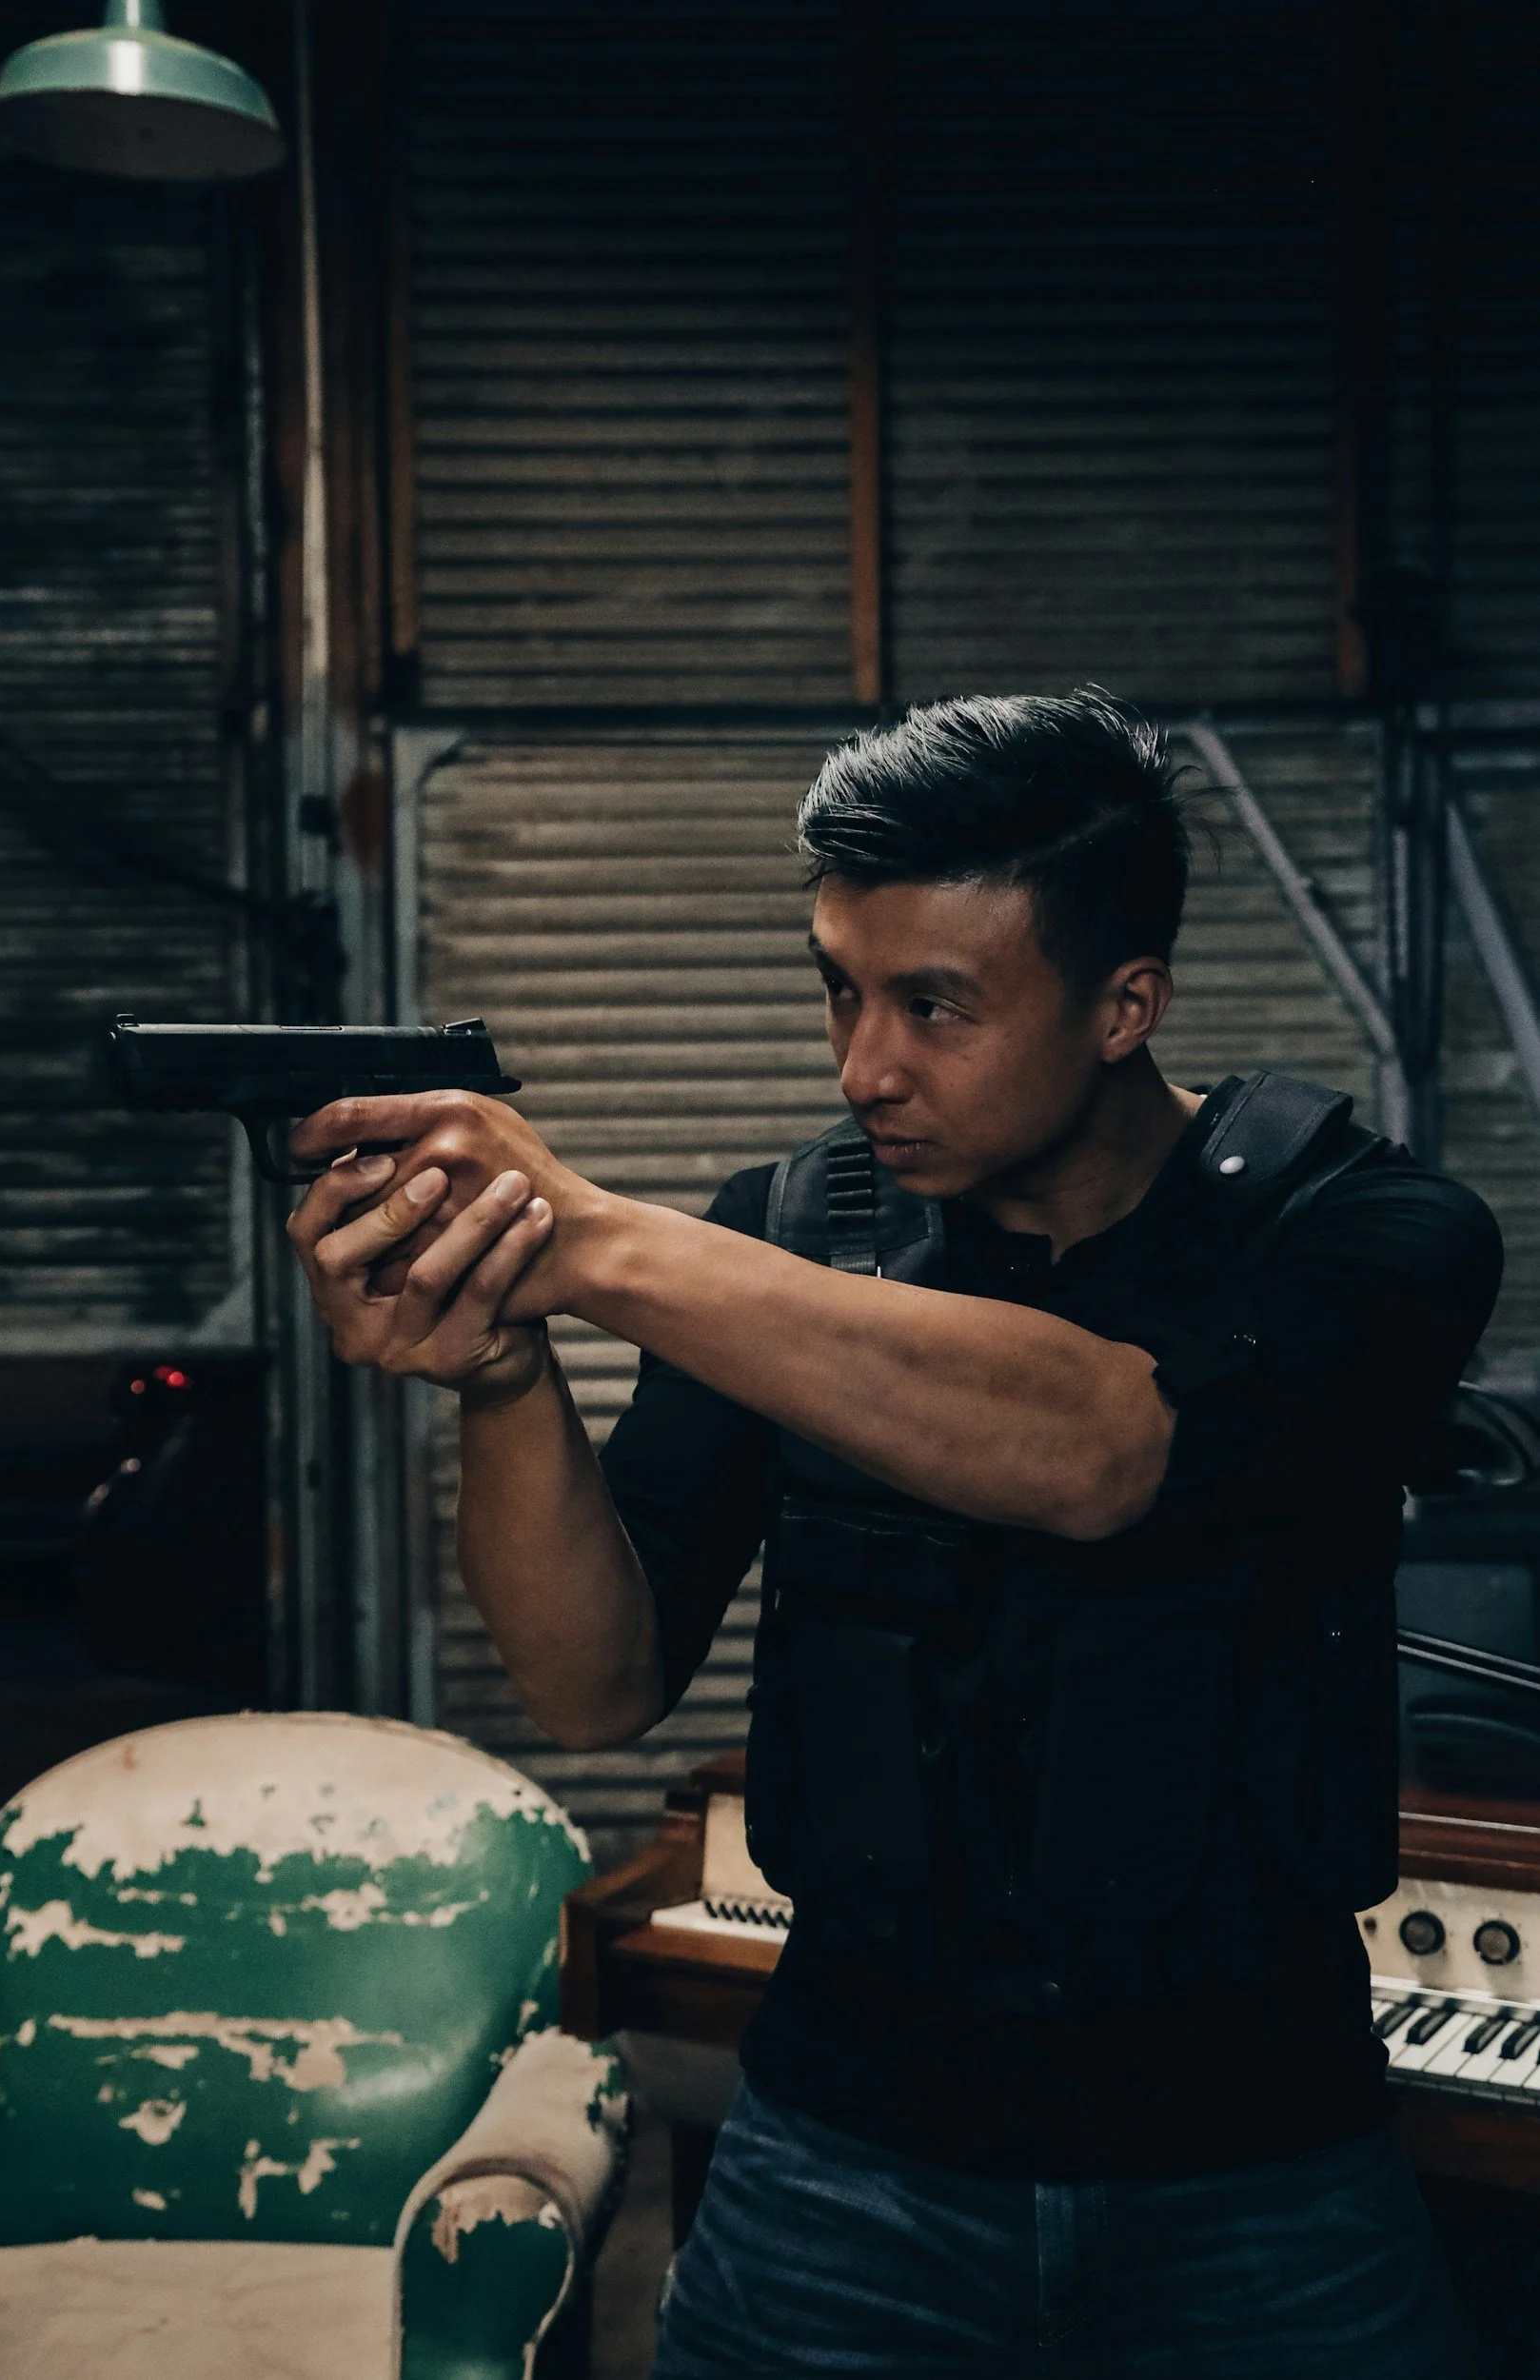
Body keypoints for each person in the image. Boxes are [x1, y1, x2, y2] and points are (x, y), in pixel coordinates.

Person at [286, 693, 1500, 2377]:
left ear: (1121, 1005)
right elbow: (591, 1682)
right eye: (841, 993)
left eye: (935, 1006)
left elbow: (1097, 1449)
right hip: (842, 2161)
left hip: (1261, 2171)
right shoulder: (777, 1237)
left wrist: (588, 1239)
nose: (864, 1067)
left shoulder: (1372, 1239)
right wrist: (503, 1375)